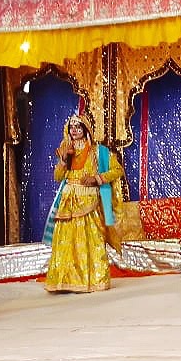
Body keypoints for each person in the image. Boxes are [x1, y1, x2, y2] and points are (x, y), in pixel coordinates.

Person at [42, 114, 124, 293]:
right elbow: (58, 177)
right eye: (71, 127)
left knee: (91, 240)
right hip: (68, 201)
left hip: (89, 201)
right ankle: (65, 281)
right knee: (66, 242)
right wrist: (63, 160)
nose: (74, 130)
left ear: (86, 129)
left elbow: (118, 170)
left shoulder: (98, 152)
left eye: (78, 127)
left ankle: (93, 280)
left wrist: (97, 178)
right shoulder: (65, 150)